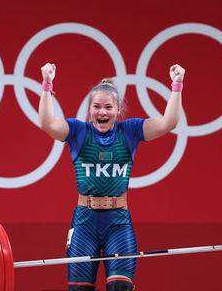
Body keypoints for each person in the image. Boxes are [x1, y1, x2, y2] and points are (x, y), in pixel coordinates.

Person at [38, 63, 185, 291]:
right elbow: (47, 123)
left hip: (118, 222)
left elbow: (169, 123)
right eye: (97, 107)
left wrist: (177, 86)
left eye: (108, 107)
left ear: (117, 111)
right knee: (79, 289)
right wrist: (47, 84)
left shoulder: (130, 131)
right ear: (90, 111)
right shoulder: (78, 131)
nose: (102, 112)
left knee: (119, 287)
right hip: (84, 222)